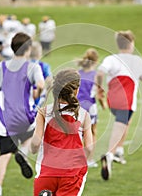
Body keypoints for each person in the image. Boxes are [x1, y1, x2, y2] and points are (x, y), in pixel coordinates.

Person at [0, 33, 44, 196]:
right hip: (25, 117)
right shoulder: (32, 67)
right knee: (37, 133)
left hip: (6, 119)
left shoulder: (2, 67)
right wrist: (37, 93)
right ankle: (23, 153)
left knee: (4, 154)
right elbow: (40, 84)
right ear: (28, 49)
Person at [96, 30, 142, 180]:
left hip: (112, 99)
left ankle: (119, 150)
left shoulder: (111, 59)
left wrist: (99, 88)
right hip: (126, 99)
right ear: (132, 44)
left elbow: (100, 72)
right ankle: (110, 154)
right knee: (120, 124)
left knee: (125, 121)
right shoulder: (137, 61)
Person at [30, 68, 93, 196]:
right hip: (72, 173)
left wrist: (33, 149)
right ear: (75, 90)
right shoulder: (83, 115)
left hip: (47, 172)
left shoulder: (43, 112)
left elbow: (35, 143)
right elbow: (89, 148)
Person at [77, 48, 101, 168]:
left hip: (77, 107)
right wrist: (103, 103)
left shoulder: (77, 73)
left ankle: (77, 159)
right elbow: (98, 93)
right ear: (96, 61)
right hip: (90, 107)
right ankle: (89, 159)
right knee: (91, 133)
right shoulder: (96, 75)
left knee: (78, 134)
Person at [30, 41, 52, 108]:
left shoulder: (24, 65)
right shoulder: (44, 66)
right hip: (40, 91)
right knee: (37, 110)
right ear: (40, 54)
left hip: (27, 91)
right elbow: (49, 80)